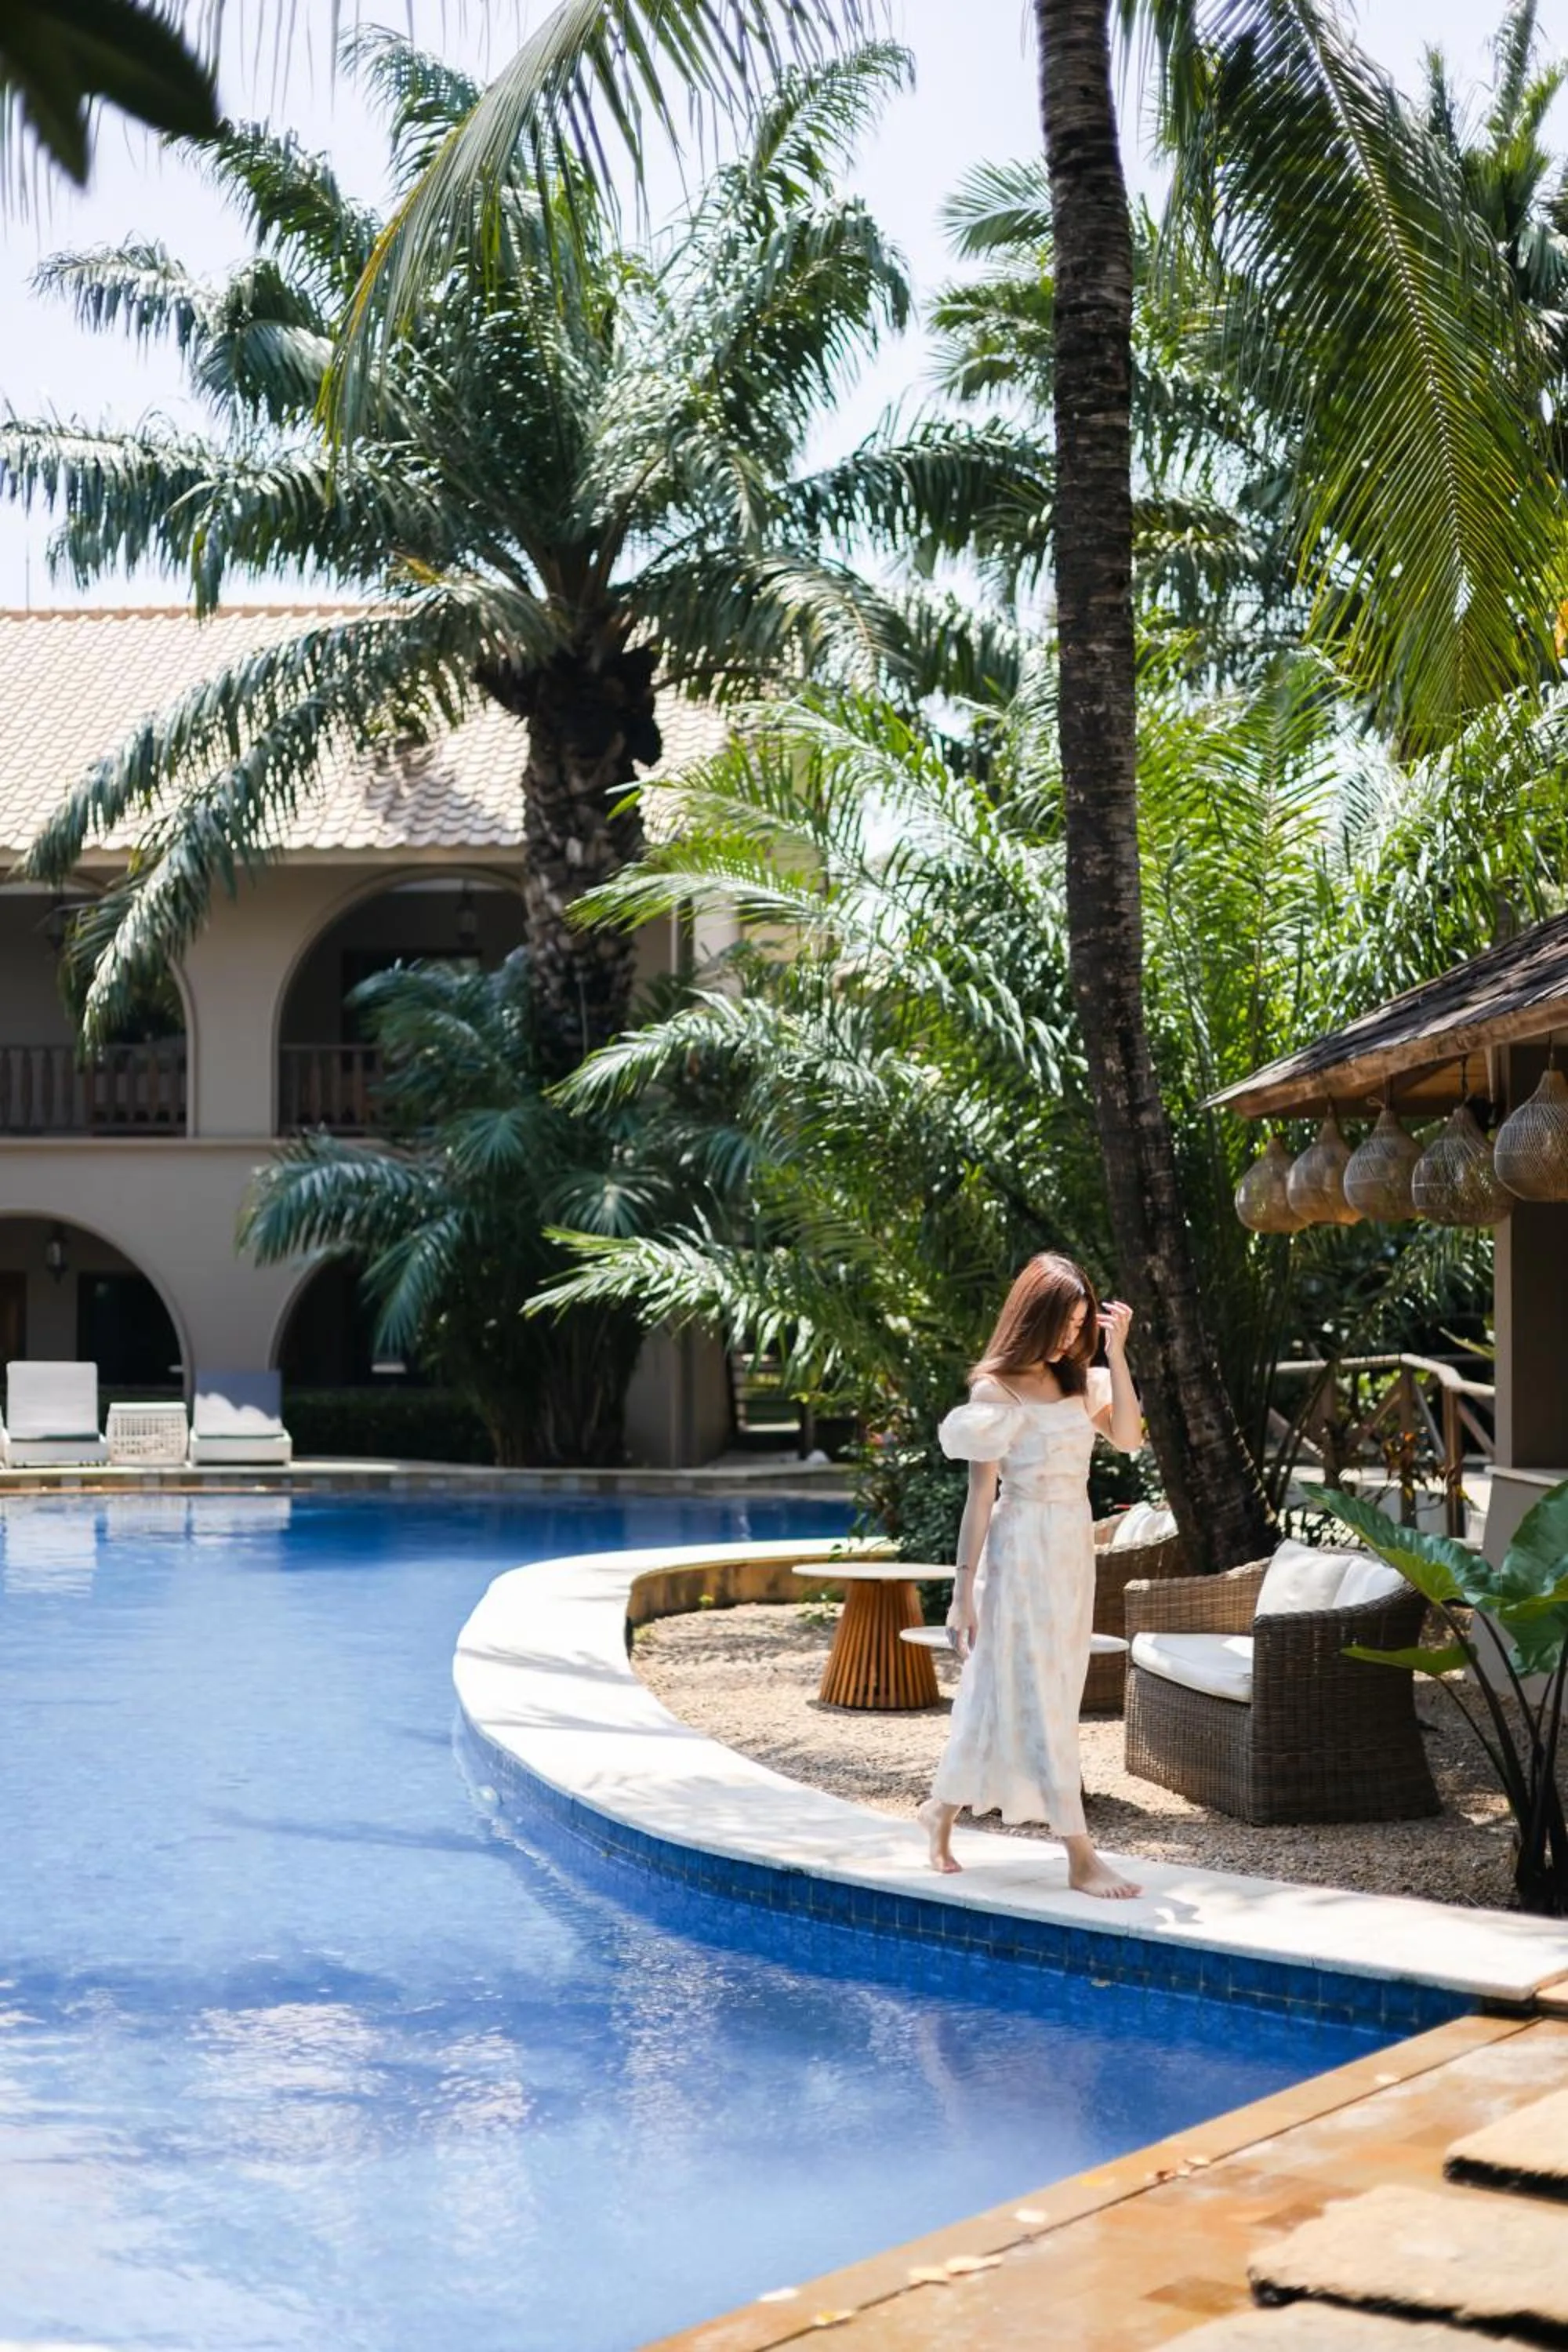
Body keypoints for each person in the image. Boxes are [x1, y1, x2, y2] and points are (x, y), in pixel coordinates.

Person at [916, 1252, 1145, 1897]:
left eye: (1081, 1325)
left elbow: (1129, 1439)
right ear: (1033, 1315)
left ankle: (940, 1809)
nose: (1072, 1337)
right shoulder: (997, 1390)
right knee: (1032, 1695)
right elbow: (979, 1499)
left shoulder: (1084, 1382)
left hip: (1072, 1550)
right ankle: (1079, 1854)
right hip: (1017, 1553)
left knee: (1030, 1691)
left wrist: (1117, 1354)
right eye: (1064, 1323)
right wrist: (962, 1594)